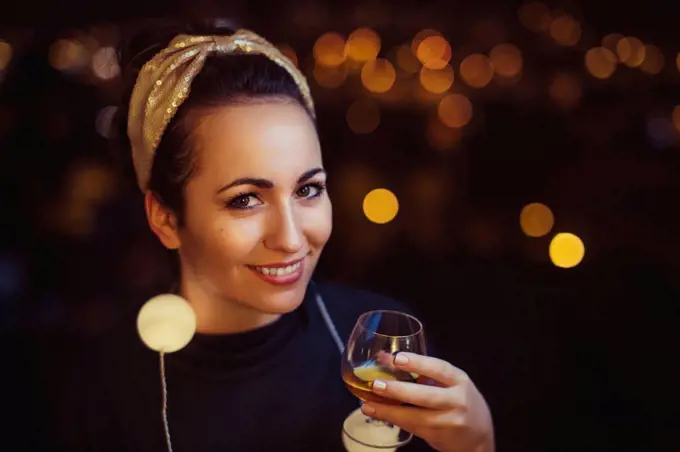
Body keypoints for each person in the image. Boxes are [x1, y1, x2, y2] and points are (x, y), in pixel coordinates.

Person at [54, 19, 495, 452]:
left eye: (307, 190)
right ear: (166, 219)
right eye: (245, 199)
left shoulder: (381, 349)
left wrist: (475, 446)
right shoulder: (99, 386)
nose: (290, 239)